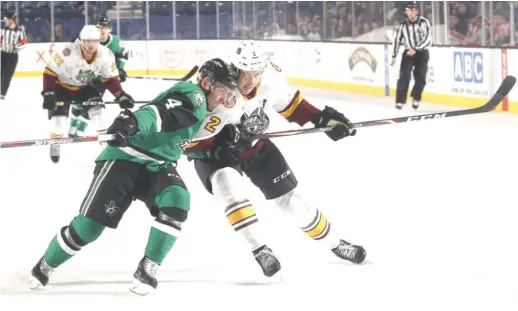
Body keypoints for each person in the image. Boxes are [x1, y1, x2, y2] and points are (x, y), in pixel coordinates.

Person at [29, 58, 239, 296]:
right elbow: (156, 114)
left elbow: (180, 139)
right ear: (207, 82)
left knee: (177, 198)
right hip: (125, 158)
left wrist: (219, 145)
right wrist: (130, 122)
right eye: (223, 90)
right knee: (88, 229)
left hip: (158, 165)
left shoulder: (204, 107)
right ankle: (46, 264)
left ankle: (148, 268)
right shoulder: (195, 97)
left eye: (230, 92)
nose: (225, 98)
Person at [184, 41, 366, 278]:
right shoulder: (219, 91)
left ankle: (336, 243)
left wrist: (324, 119)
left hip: (253, 144)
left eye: (256, 73)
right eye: (246, 74)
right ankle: (260, 250)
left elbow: (294, 106)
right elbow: (187, 141)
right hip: (217, 155)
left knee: (291, 203)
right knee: (227, 185)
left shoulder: (270, 78)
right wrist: (219, 143)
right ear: (235, 70)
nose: (251, 81)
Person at [41, 24, 134, 163]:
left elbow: (110, 78)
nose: (91, 45)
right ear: (81, 41)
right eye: (88, 41)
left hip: (83, 88)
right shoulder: (68, 52)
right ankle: (56, 143)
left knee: (97, 113)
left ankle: (107, 149)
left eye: (95, 41)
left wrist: (120, 95)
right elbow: (49, 72)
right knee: (58, 122)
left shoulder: (106, 54)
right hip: (61, 87)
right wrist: (48, 93)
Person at [68, 17, 130, 138]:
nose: (102, 30)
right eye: (100, 27)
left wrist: (120, 69)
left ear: (109, 29)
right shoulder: (87, 40)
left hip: (102, 80)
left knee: (94, 103)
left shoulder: (116, 42)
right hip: (84, 77)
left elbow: (122, 56)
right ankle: (72, 126)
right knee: (78, 104)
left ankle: (79, 131)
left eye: (105, 28)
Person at [391, 1, 432, 110]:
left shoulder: (424, 22)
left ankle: (416, 98)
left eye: (413, 10)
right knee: (404, 77)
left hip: (422, 53)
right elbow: (397, 40)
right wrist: (394, 55)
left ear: (417, 11)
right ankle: (400, 100)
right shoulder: (403, 25)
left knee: (421, 78)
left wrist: (417, 49)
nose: (411, 13)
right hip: (408, 53)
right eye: (409, 11)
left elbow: (428, 39)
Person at [0, 11, 28, 100]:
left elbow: (25, 44)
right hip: (3, 54)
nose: (4, 21)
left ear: (11, 20)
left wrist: (15, 46)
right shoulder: (3, 30)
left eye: (6, 19)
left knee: (7, 75)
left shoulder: (19, 31)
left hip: (12, 56)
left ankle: (2, 93)